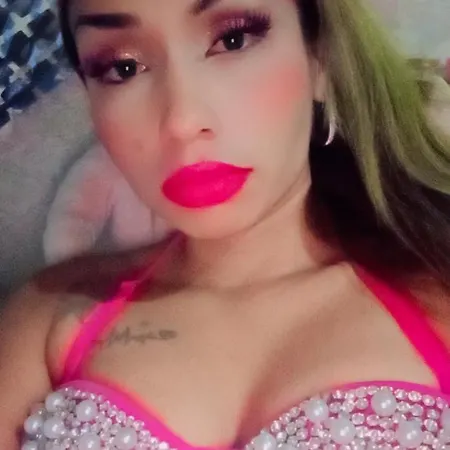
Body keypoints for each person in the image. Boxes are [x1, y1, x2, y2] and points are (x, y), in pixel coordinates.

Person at [2, 0, 450, 449]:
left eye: (233, 40)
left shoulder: (438, 288)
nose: (182, 121)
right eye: (122, 68)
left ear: (318, 54)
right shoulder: (50, 314)